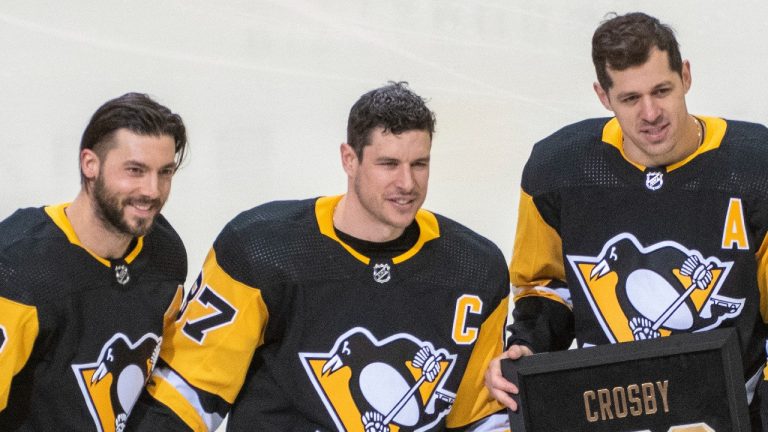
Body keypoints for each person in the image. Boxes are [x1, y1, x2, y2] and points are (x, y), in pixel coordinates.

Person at [128, 82, 510, 431]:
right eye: (389, 164)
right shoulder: (260, 250)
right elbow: (188, 396)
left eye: (419, 164)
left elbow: (481, 421)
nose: (407, 183)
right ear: (349, 159)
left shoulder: (474, 269)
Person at [484, 11, 768, 429]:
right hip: (611, 407)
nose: (650, 113)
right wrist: (528, 347)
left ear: (686, 77)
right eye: (631, 99)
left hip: (729, 408)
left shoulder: (755, 169)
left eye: (662, 90)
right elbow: (549, 287)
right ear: (603, 96)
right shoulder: (559, 172)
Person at [0, 92, 189, 431]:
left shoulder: (165, 252)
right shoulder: (18, 265)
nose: (152, 190)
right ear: (90, 164)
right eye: (135, 170)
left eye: (165, 172)